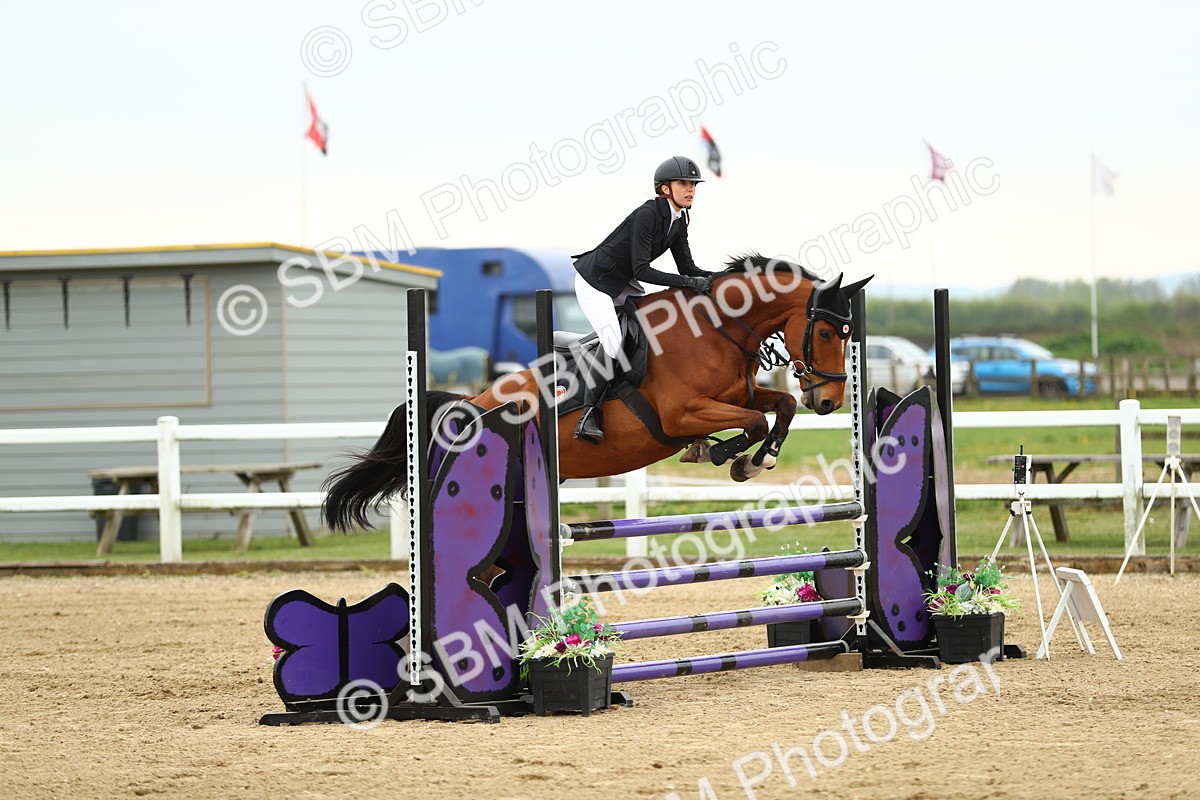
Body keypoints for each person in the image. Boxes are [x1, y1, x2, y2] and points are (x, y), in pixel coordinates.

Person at [570, 156, 715, 444]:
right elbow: (642, 270)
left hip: (622, 283)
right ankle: (588, 415)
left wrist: (722, 278)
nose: (690, 189)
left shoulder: (679, 219)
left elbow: (687, 268)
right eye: (683, 183)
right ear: (664, 189)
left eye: (693, 185)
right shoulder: (649, 214)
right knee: (613, 342)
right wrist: (689, 284)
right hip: (595, 282)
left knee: (651, 329)